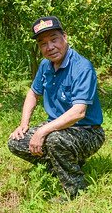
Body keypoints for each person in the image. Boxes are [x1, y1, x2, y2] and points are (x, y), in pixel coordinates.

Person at [8, 16, 105, 199]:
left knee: (54, 140)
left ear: (65, 37)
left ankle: (76, 190)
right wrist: (23, 124)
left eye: (54, 39)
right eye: (43, 43)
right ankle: (63, 166)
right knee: (15, 142)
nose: (50, 47)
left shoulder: (82, 67)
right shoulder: (46, 65)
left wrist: (42, 131)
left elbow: (79, 112)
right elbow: (32, 94)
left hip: (87, 131)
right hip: (57, 128)